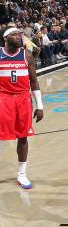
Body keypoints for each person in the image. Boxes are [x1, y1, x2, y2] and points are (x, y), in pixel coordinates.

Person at [0, 28, 44, 189]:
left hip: (23, 99)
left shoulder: (26, 55)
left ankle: (22, 174)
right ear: (5, 38)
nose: (19, 37)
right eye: (15, 34)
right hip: (3, 98)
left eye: (21, 34)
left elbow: (34, 81)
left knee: (23, 137)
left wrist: (40, 106)